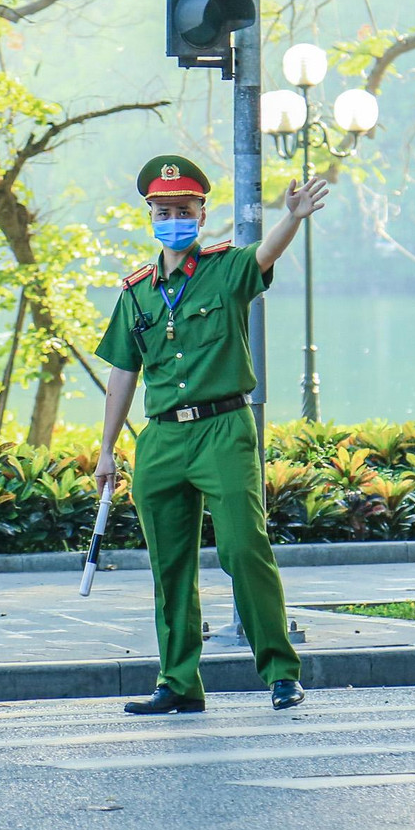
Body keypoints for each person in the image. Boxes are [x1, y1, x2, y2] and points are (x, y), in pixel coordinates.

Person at [93, 155, 326, 714]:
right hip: (162, 439)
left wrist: (292, 217)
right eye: (163, 209)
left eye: (184, 209)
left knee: (244, 548)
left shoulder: (225, 270)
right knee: (170, 565)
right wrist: (106, 451)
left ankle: (279, 670)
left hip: (223, 428)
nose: (173, 217)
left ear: (201, 214)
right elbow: (123, 372)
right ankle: (177, 682)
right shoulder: (137, 292)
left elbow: (266, 254)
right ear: (150, 214)